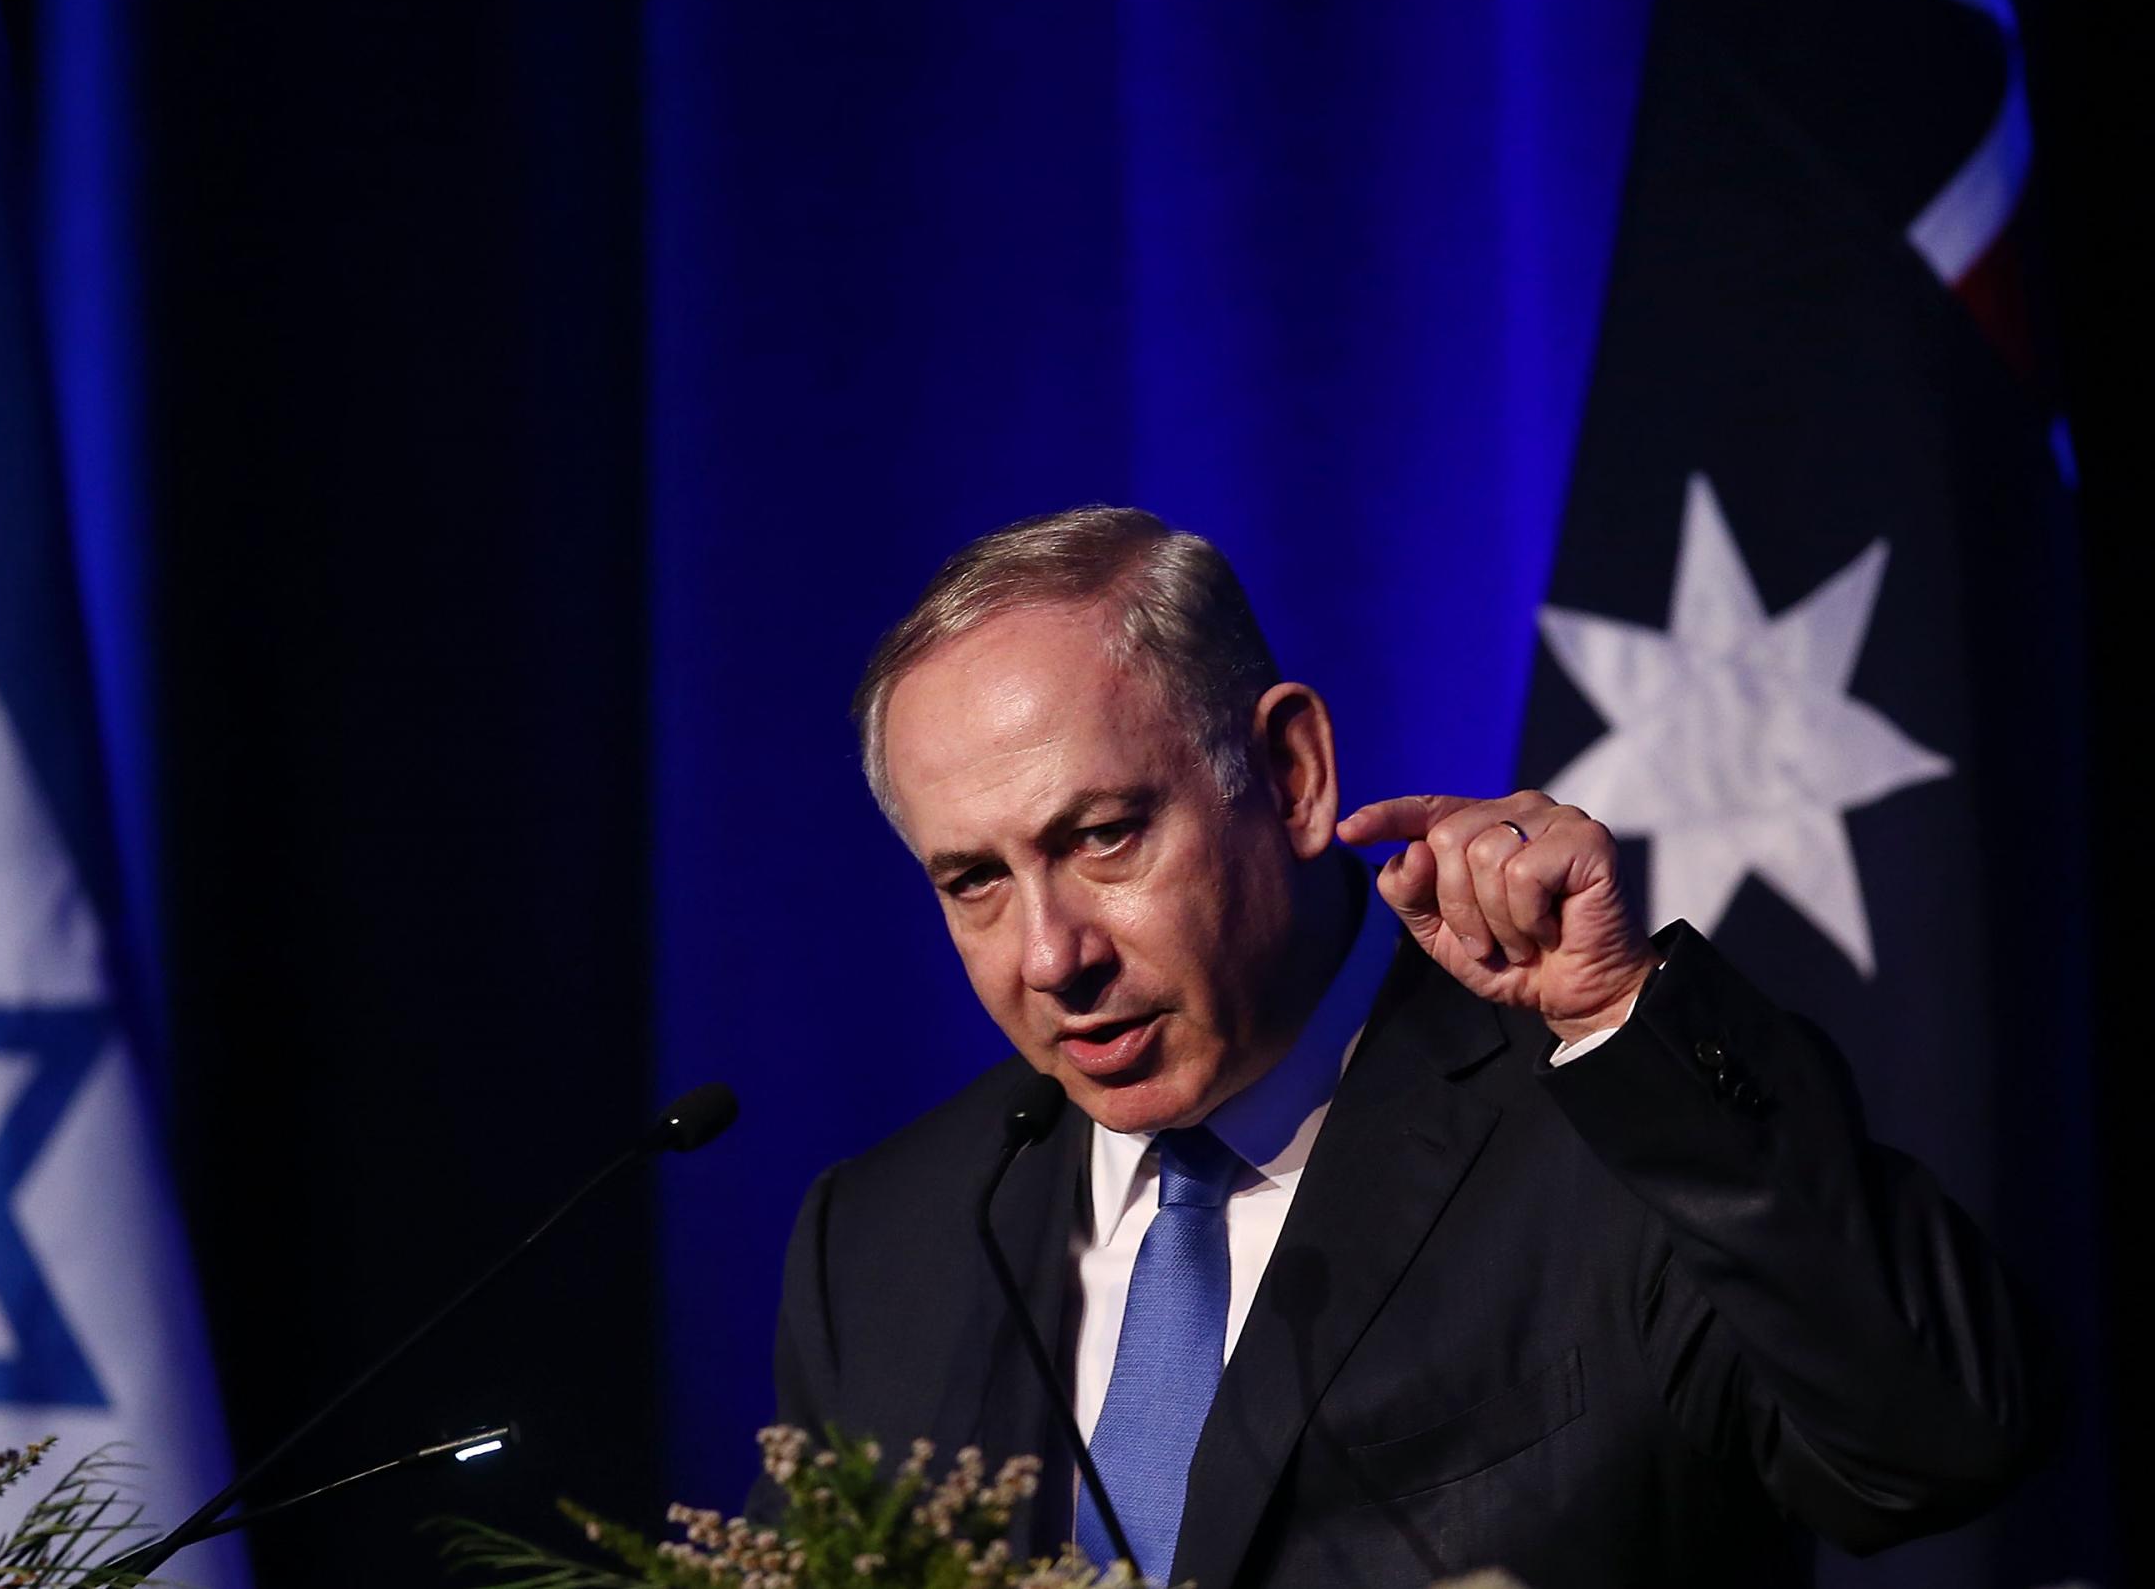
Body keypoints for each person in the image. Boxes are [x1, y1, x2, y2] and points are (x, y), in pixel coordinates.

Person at [771, 506, 2047, 1588]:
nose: (1050, 954)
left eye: (1103, 835)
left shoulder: (1618, 1128)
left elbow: (1935, 1442)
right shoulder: (886, 1239)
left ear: (1288, 771)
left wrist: (1616, 1013)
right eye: (973, 880)